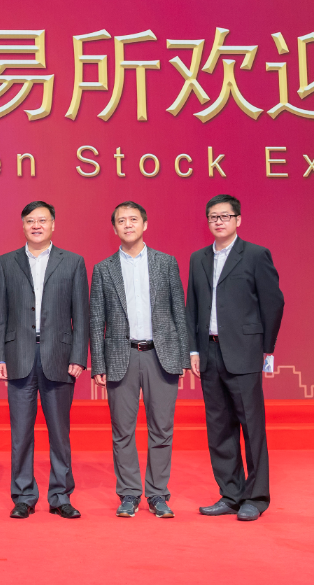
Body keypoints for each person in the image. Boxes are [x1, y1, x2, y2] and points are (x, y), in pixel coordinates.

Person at [185, 194, 285, 522]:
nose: (219, 221)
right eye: (213, 216)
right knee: (219, 427)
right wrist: (194, 349)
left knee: (251, 426)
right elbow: (192, 307)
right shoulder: (198, 258)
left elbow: (273, 302)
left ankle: (256, 497)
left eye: (225, 216)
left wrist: (264, 347)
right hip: (209, 352)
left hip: (244, 353)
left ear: (238, 220)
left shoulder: (255, 255)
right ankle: (230, 494)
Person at [89, 201, 190, 519]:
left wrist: (183, 357)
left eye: (133, 219)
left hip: (162, 356)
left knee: (162, 428)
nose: (128, 225)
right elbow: (96, 320)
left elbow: (179, 312)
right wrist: (98, 364)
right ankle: (129, 494)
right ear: (114, 228)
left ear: (145, 224)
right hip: (122, 357)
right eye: (121, 221)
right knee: (123, 431)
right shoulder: (103, 269)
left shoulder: (166, 263)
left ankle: (158, 494)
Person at [0, 200, 89, 519]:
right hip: (18, 355)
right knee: (21, 432)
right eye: (30, 221)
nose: (36, 225)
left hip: (59, 357)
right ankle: (23, 495)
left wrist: (78, 355)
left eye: (42, 220)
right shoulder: (5, 263)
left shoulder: (73, 262)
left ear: (53, 225)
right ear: (22, 226)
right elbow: (0, 314)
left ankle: (60, 495)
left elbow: (81, 315)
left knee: (60, 432)